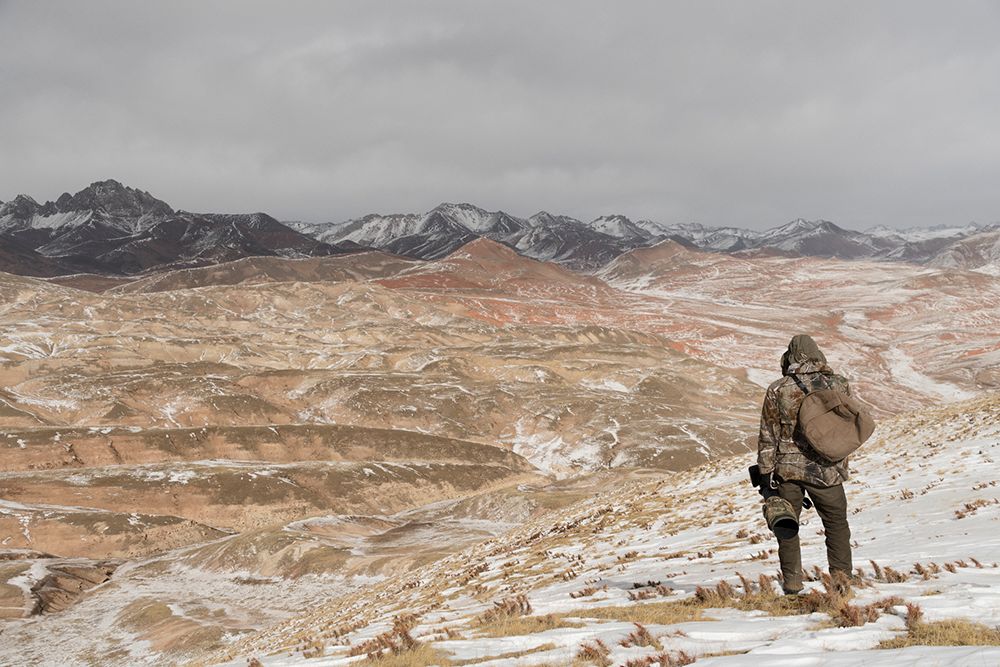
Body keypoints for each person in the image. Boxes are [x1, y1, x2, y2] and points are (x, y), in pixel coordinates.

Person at [756, 334, 854, 595]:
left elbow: (769, 434)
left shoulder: (778, 389)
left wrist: (766, 474)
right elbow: (844, 426)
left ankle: (792, 583)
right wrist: (841, 460)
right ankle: (842, 584)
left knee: (787, 526)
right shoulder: (839, 384)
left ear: (789, 356)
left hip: (788, 471)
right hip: (828, 470)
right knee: (836, 526)